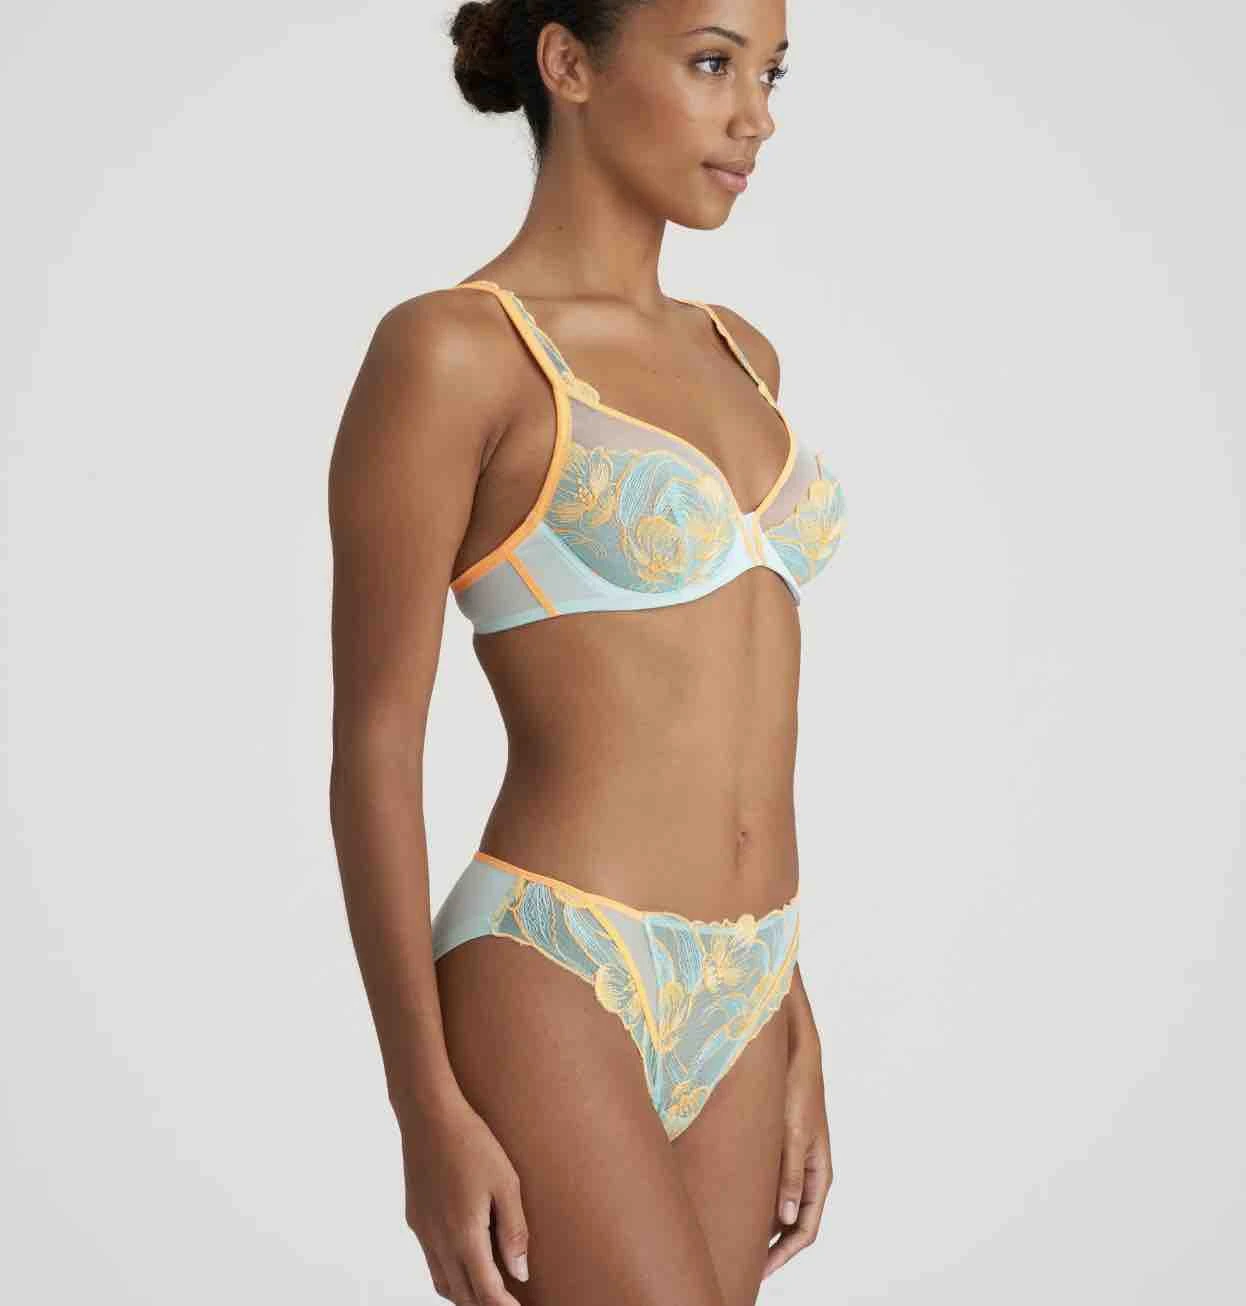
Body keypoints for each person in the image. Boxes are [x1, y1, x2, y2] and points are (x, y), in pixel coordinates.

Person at [328, 3, 848, 1303]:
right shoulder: (454, 350)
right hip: (555, 965)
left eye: (770, 73)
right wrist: (422, 1105)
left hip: (751, 980)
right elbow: (376, 750)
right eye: (712, 63)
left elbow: (732, 711)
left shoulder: (740, 353)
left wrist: (790, 1011)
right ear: (569, 64)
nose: (756, 117)